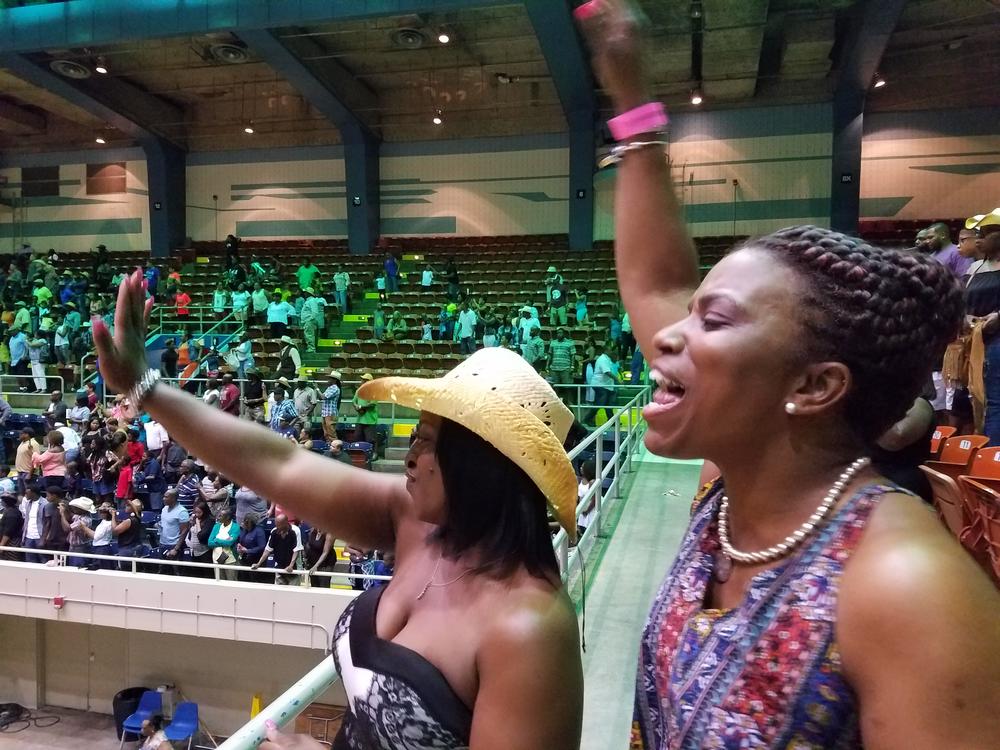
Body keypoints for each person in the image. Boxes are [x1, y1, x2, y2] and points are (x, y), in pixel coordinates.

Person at [576, 2, 1000, 746]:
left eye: (714, 319)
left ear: (813, 387)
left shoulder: (906, 589)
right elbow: (655, 284)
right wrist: (632, 101)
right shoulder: (740, 494)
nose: (666, 334)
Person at [93, 274, 585, 749]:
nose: (410, 455)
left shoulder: (530, 629)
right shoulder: (414, 518)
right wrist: (146, 388)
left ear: (482, 465)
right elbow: (277, 464)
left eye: (428, 442)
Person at [251, 513, 300, 585]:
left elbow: (296, 550)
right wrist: (258, 564)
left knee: (293, 593)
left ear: (286, 523)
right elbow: (267, 550)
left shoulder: (295, 531)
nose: (277, 527)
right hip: (279, 567)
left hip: (293, 568)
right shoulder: (274, 531)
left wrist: (291, 565)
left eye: (279, 525)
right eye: (276, 524)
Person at [352, 372, 378, 447]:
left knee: (370, 439)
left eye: (364, 380)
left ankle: (374, 454)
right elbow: (353, 401)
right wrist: (357, 408)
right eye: (362, 380)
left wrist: (360, 407)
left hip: (370, 420)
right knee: (357, 437)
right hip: (360, 419)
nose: (362, 381)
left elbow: (372, 404)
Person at [0, 493, 24, 562]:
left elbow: (8, 532)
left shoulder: (12, 513)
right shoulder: (8, 510)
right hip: (6, 541)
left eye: (3, 500)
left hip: (12, 541)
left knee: (12, 561)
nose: (1, 502)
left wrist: (2, 545)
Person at [321, 371, 342, 442]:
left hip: (330, 413)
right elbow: (322, 397)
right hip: (325, 412)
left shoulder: (335, 388)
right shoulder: (330, 388)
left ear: (334, 380)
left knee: (331, 433)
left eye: (330, 378)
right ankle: (329, 446)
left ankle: (335, 446)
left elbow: (323, 397)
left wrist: (317, 389)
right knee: (326, 433)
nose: (328, 380)